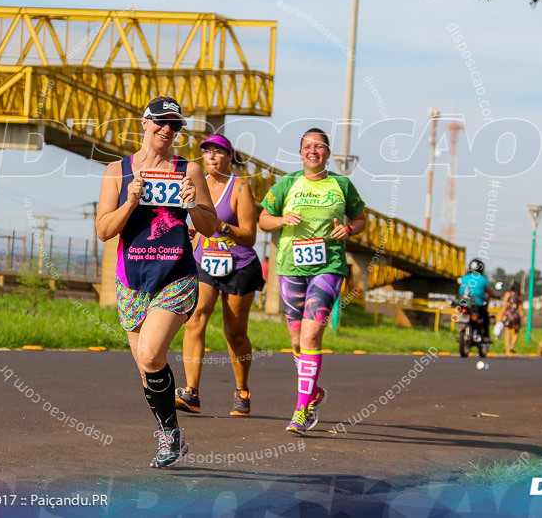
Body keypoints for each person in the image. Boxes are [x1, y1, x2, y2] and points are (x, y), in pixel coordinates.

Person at [95, 96, 218, 468]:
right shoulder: (117, 171)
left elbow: (210, 228)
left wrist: (194, 205)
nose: (168, 129)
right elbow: (103, 230)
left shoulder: (189, 169)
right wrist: (129, 203)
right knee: (149, 368)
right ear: (145, 123)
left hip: (175, 276)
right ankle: (172, 434)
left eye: (176, 124)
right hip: (131, 280)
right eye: (161, 121)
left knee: (150, 354)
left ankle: (168, 437)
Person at [258, 128, 366, 436]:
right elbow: (263, 219)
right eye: (307, 146)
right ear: (301, 152)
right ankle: (314, 393)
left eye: (319, 146)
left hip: (328, 266)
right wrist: (281, 220)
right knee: (296, 342)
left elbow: (360, 219)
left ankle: (302, 410)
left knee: (311, 338)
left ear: (328, 154)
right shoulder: (287, 183)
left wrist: (349, 230)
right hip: (291, 267)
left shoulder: (342, 185)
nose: (313, 150)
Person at [175, 134, 264, 416]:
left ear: (229, 157)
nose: (211, 157)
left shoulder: (240, 188)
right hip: (205, 261)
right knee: (195, 318)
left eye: (218, 152)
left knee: (235, 333)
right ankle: (192, 392)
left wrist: (221, 227)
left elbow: (249, 237)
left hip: (239, 264)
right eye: (207, 152)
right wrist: (193, 231)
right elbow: (198, 224)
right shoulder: (195, 186)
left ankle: (242, 390)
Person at [458, 258, 500, 343]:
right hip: (477, 304)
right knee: (485, 317)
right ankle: (486, 336)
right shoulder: (483, 279)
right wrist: (497, 296)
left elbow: (459, 290)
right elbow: (490, 292)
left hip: (463, 303)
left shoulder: (464, 278)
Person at [499, 281, 525, 355]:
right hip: (516, 315)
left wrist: (500, 316)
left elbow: (504, 306)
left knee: (508, 332)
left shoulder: (508, 294)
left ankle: (507, 350)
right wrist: (524, 316)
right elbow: (520, 307)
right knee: (516, 332)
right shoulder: (520, 296)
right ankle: (512, 346)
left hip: (508, 314)